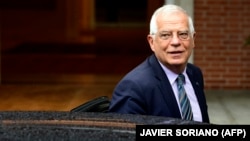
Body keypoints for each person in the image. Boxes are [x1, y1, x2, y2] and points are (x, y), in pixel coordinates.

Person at [108, 4, 210, 123]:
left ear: (193, 39)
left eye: (183, 34)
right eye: (165, 35)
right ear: (152, 42)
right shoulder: (134, 87)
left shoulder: (194, 74)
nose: (176, 42)